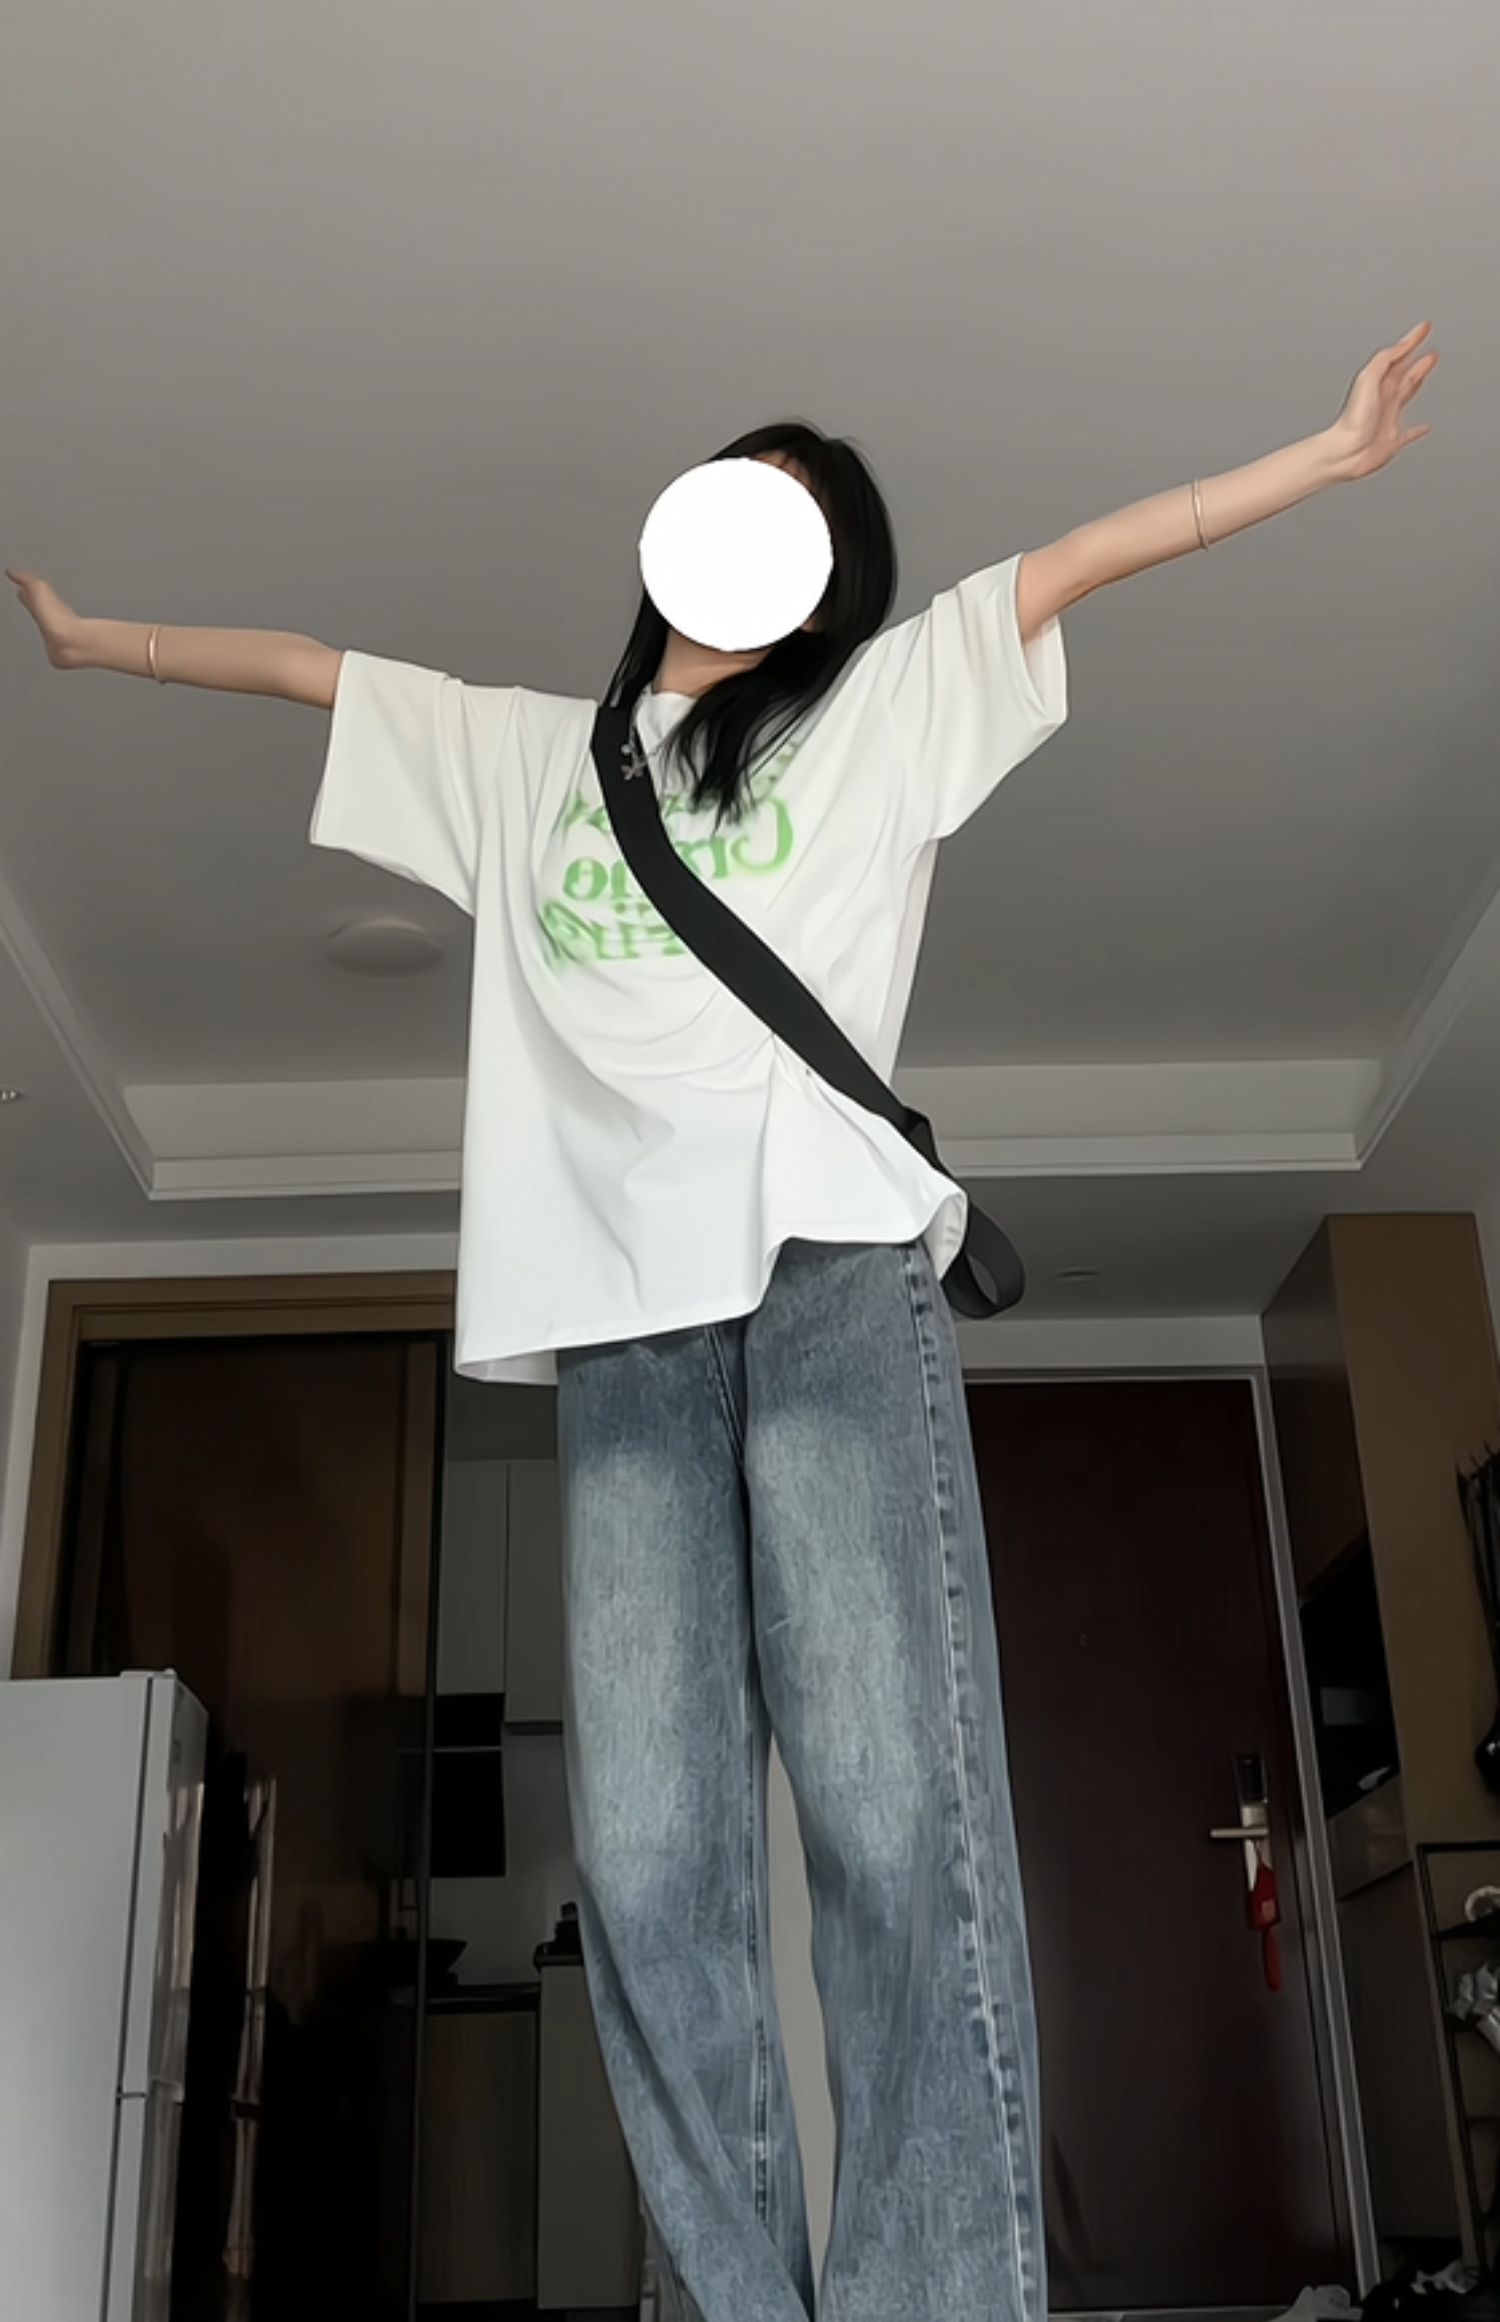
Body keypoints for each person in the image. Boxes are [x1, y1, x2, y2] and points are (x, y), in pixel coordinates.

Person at [9, 322, 1436, 2322]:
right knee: (649, 1858)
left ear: (825, 582)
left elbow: (1076, 563)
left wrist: (1319, 453)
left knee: (888, 1811)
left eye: (797, 518)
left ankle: (933, 2295)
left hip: (831, 1274)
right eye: (733, 494)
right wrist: (102, 642)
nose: (752, 532)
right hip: (623, 1329)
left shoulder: (875, 714)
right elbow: (319, 671)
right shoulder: (525, 757)